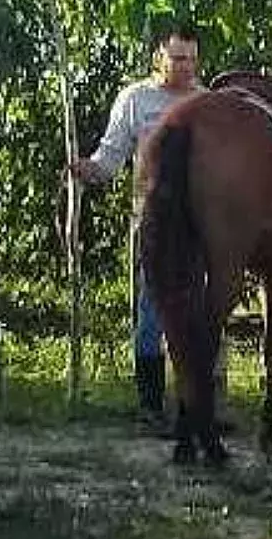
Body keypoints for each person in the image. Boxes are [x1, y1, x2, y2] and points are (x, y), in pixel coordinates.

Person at [68, 23, 225, 438]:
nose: (184, 66)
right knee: (154, 315)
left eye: (191, 58)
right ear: (160, 57)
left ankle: (202, 404)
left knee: (206, 312)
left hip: (202, 226)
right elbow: (112, 155)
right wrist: (89, 170)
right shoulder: (136, 100)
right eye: (177, 58)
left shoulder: (209, 103)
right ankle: (151, 406)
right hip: (155, 225)